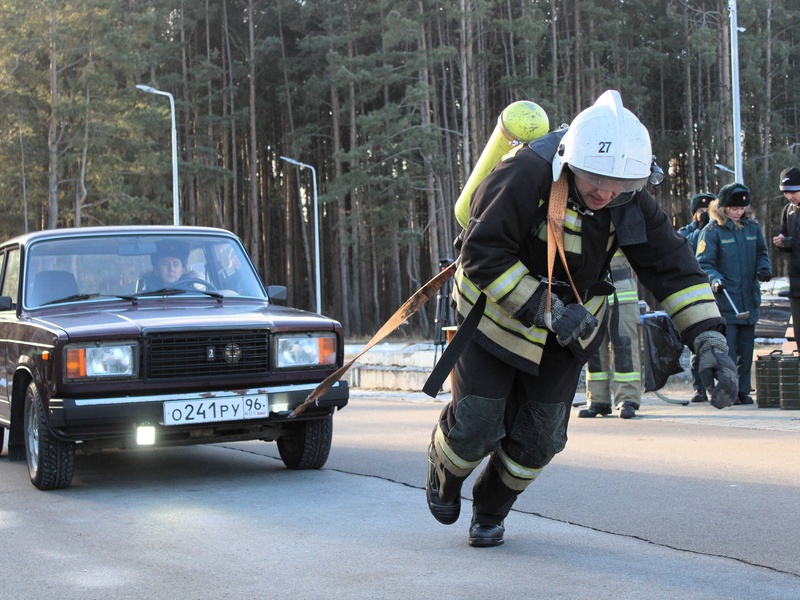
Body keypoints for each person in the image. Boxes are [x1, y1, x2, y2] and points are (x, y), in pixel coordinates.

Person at [426, 90, 738, 548]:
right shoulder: (524, 173)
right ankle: (443, 475)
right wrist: (544, 308)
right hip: (494, 317)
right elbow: (482, 255)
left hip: (568, 333)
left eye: (619, 186)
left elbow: (673, 268)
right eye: (595, 179)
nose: (605, 193)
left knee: (541, 436)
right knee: (477, 420)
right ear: (570, 162)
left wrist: (710, 341)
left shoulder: (626, 197)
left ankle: (490, 511)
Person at [696, 183, 772, 405]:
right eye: (734, 208)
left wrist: (764, 267)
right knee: (726, 350)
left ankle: (743, 390)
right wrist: (715, 279)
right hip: (724, 301)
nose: (739, 212)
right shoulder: (711, 232)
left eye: (742, 208)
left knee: (746, 349)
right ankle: (727, 390)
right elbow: (704, 264)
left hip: (748, 299)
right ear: (724, 207)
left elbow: (761, 252)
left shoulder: (752, 229)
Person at [579, 250, 642, 419]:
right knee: (593, 350)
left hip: (622, 293)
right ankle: (598, 400)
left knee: (624, 349)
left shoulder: (623, 223)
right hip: (591, 294)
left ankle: (628, 400)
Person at [678, 192, 716, 403]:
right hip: (693, 297)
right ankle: (700, 387)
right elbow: (682, 249)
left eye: (707, 211)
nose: (703, 215)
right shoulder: (686, 233)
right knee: (697, 346)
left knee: (713, 344)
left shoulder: (715, 231)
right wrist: (701, 230)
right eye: (700, 211)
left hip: (712, 295)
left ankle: (714, 387)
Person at [772, 166, 800, 346]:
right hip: (796, 283)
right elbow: (786, 236)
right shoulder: (788, 210)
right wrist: (781, 243)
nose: (790, 196)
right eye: (785, 193)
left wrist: (790, 242)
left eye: (793, 192)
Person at [136, 240, 202, 292]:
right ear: (156, 270)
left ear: (182, 270)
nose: (171, 269)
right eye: (166, 264)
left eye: (176, 264)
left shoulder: (197, 298)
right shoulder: (142, 299)